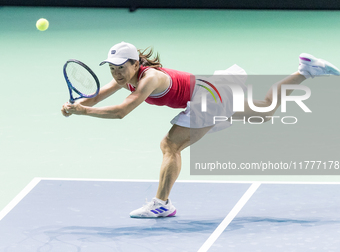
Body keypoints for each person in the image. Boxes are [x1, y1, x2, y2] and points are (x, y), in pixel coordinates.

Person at [61, 42, 340, 218]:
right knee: (265, 110)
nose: (116, 74)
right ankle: (307, 71)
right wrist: (78, 104)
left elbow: (123, 111)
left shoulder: (150, 78)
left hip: (206, 97)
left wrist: (84, 111)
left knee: (170, 146)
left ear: (136, 64)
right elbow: (97, 96)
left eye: (121, 68)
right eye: (112, 69)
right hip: (209, 90)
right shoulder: (126, 78)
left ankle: (162, 203)